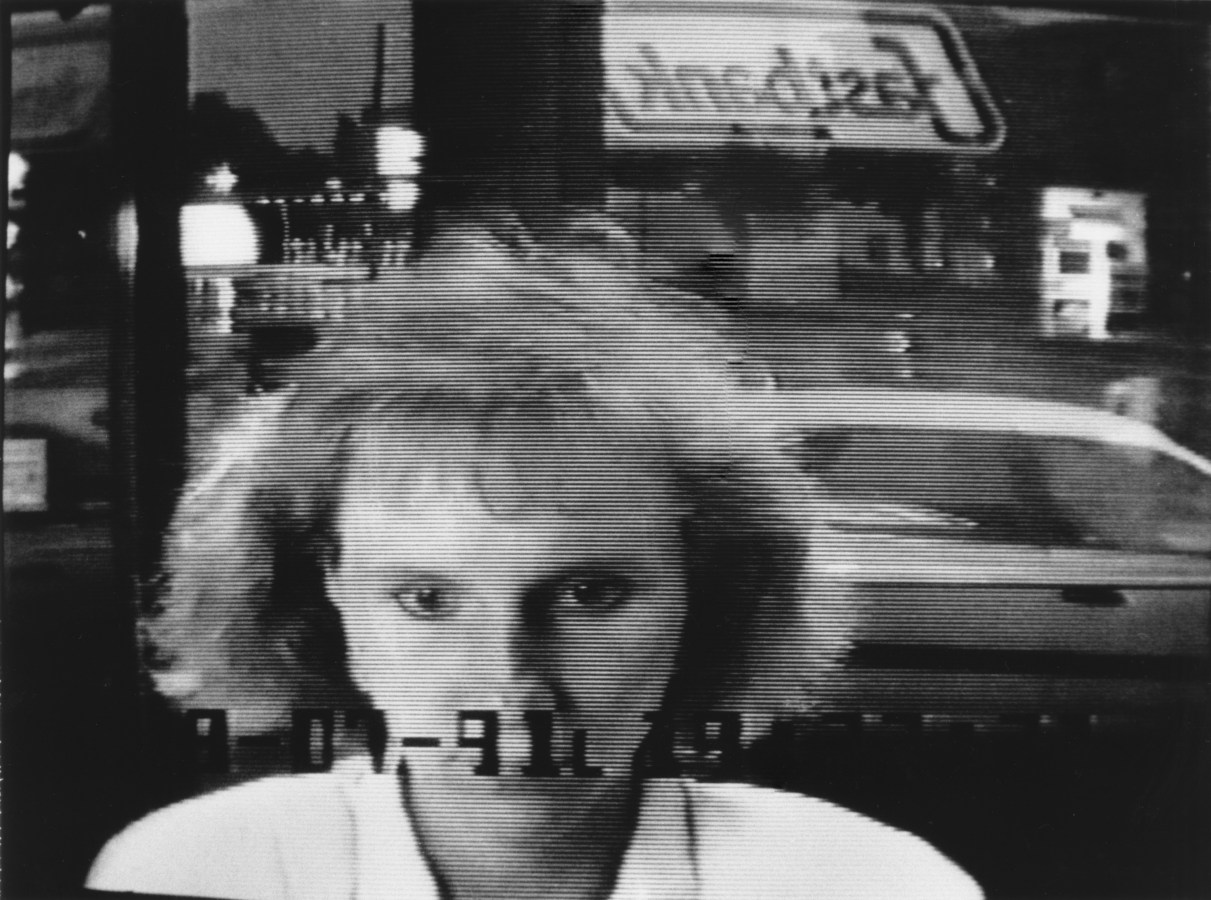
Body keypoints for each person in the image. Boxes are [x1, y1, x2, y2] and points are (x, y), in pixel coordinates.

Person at [87, 219, 981, 899]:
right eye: (427, 597)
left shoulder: (872, 886)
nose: (510, 686)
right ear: (326, 599)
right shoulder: (192, 874)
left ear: (706, 594)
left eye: (589, 593)